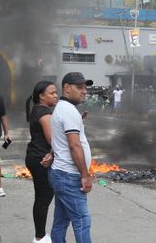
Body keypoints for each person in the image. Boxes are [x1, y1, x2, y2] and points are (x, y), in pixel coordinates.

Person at [49, 72, 93, 243]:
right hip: (69, 176)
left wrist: (79, 120)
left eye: (85, 88)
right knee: (82, 221)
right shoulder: (68, 111)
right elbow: (74, 146)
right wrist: (84, 175)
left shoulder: (64, 109)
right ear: (67, 88)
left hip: (61, 174)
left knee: (60, 222)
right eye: (80, 87)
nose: (84, 91)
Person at [25, 81, 58, 243]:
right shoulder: (44, 112)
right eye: (52, 93)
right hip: (41, 159)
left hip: (34, 157)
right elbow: (53, 139)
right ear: (41, 96)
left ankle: (40, 236)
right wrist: (52, 153)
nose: (55, 95)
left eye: (56, 92)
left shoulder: (38, 110)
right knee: (43, 198)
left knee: (41, 198)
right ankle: (40, 237)